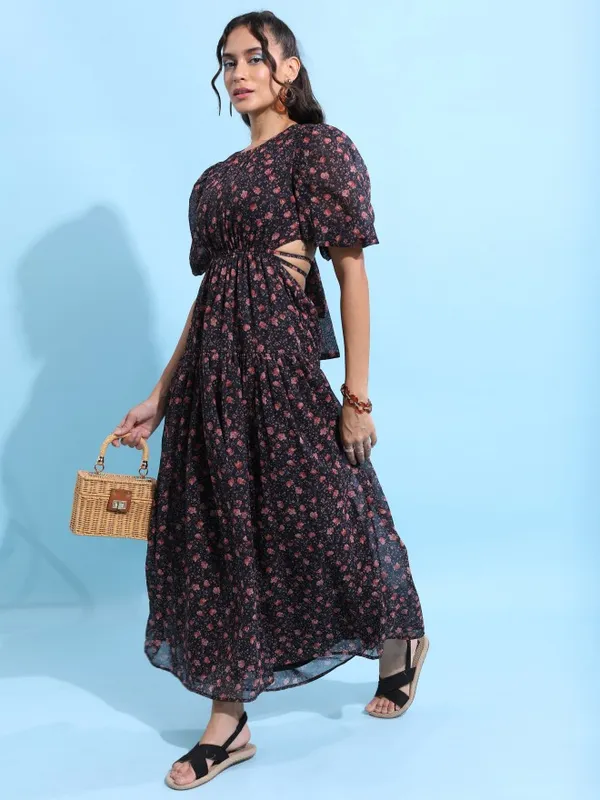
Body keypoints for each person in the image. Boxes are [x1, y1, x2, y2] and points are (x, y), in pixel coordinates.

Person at [112, 10, 428, 791]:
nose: (239, 72)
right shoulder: (215, 182)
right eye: (228, 61)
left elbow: (350, 271)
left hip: (281, 373)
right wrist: (159, 396)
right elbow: (210, 296)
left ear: (289, 67)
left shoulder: (317, 150)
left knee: (333, 514)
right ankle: (230, 724)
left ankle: (400, 637)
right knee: (219, 541)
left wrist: (356, 396)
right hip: (209, 388)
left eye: (255, 57)